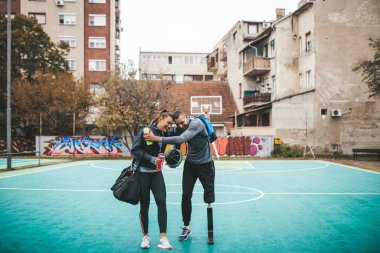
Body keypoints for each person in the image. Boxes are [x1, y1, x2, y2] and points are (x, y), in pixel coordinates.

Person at [144, 110, 215, 242]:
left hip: (206, 165)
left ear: (188, 117)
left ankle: (210, 229)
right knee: (186, 195)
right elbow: (165, 132)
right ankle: (186, 226)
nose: (181, 126)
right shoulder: (179, 127)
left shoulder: (197, 124)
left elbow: (182, 138)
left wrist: (157, 138)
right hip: (191, 165)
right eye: (178, 124)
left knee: (209, 197)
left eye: (183, 122)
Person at [130, 110, 174, 250]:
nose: (169, 126)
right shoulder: (145, 131)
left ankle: (163, 238)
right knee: (145, 205)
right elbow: (135, 149)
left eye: (171, 124)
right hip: (142, 174)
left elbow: (180, 135)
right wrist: (151, 159)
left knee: (162, 203)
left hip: (157, 174)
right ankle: (146, 237)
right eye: (168, 123)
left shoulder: (165, 134)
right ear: (160, 118)